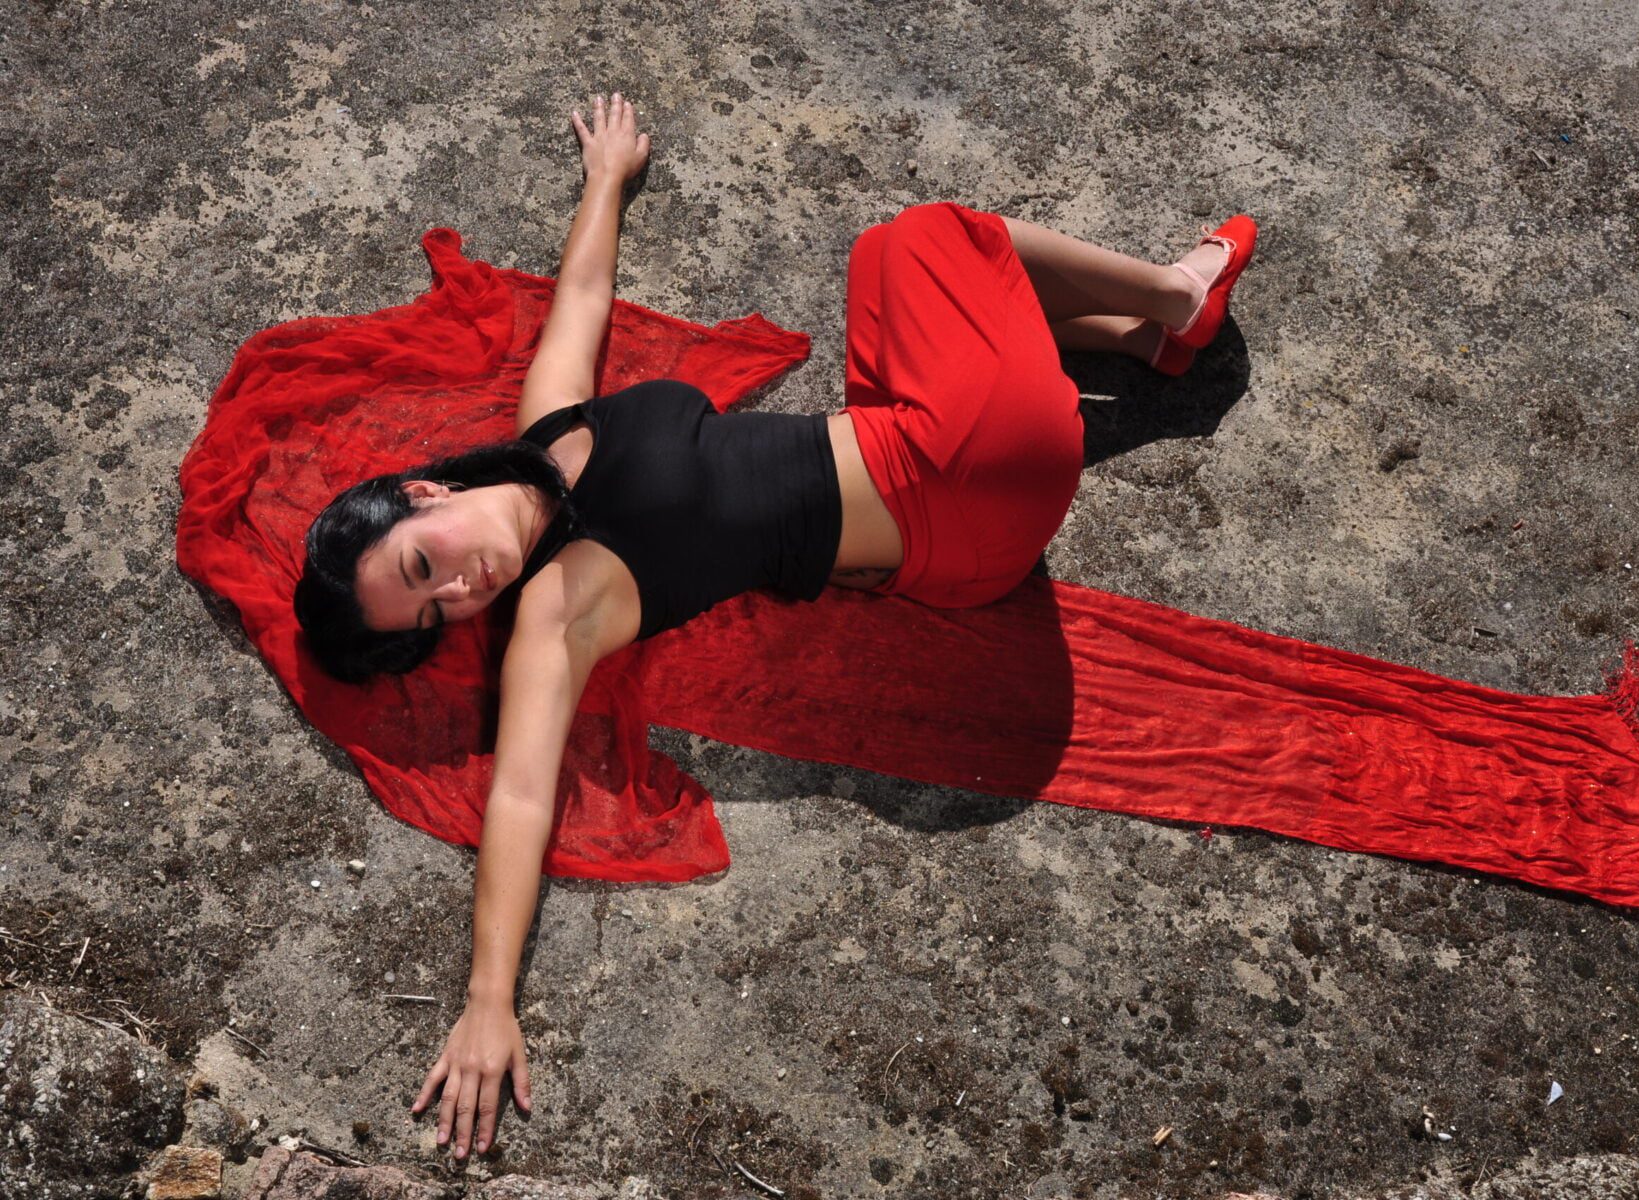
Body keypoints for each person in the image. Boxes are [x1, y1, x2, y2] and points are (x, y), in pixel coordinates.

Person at [292, 93, 1255, 1160]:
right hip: (972, 479)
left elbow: (583, 298)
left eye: (426, 568)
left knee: (882, 262)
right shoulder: (558, 607)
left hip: (936, 499)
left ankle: (1128, 339)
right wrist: (486, 1001)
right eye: (440, 613)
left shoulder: (550, 431)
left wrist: (606, 176)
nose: (465, 588)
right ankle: (1177, 295)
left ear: (423, 492)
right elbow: (520, 792)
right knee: (938, 236)